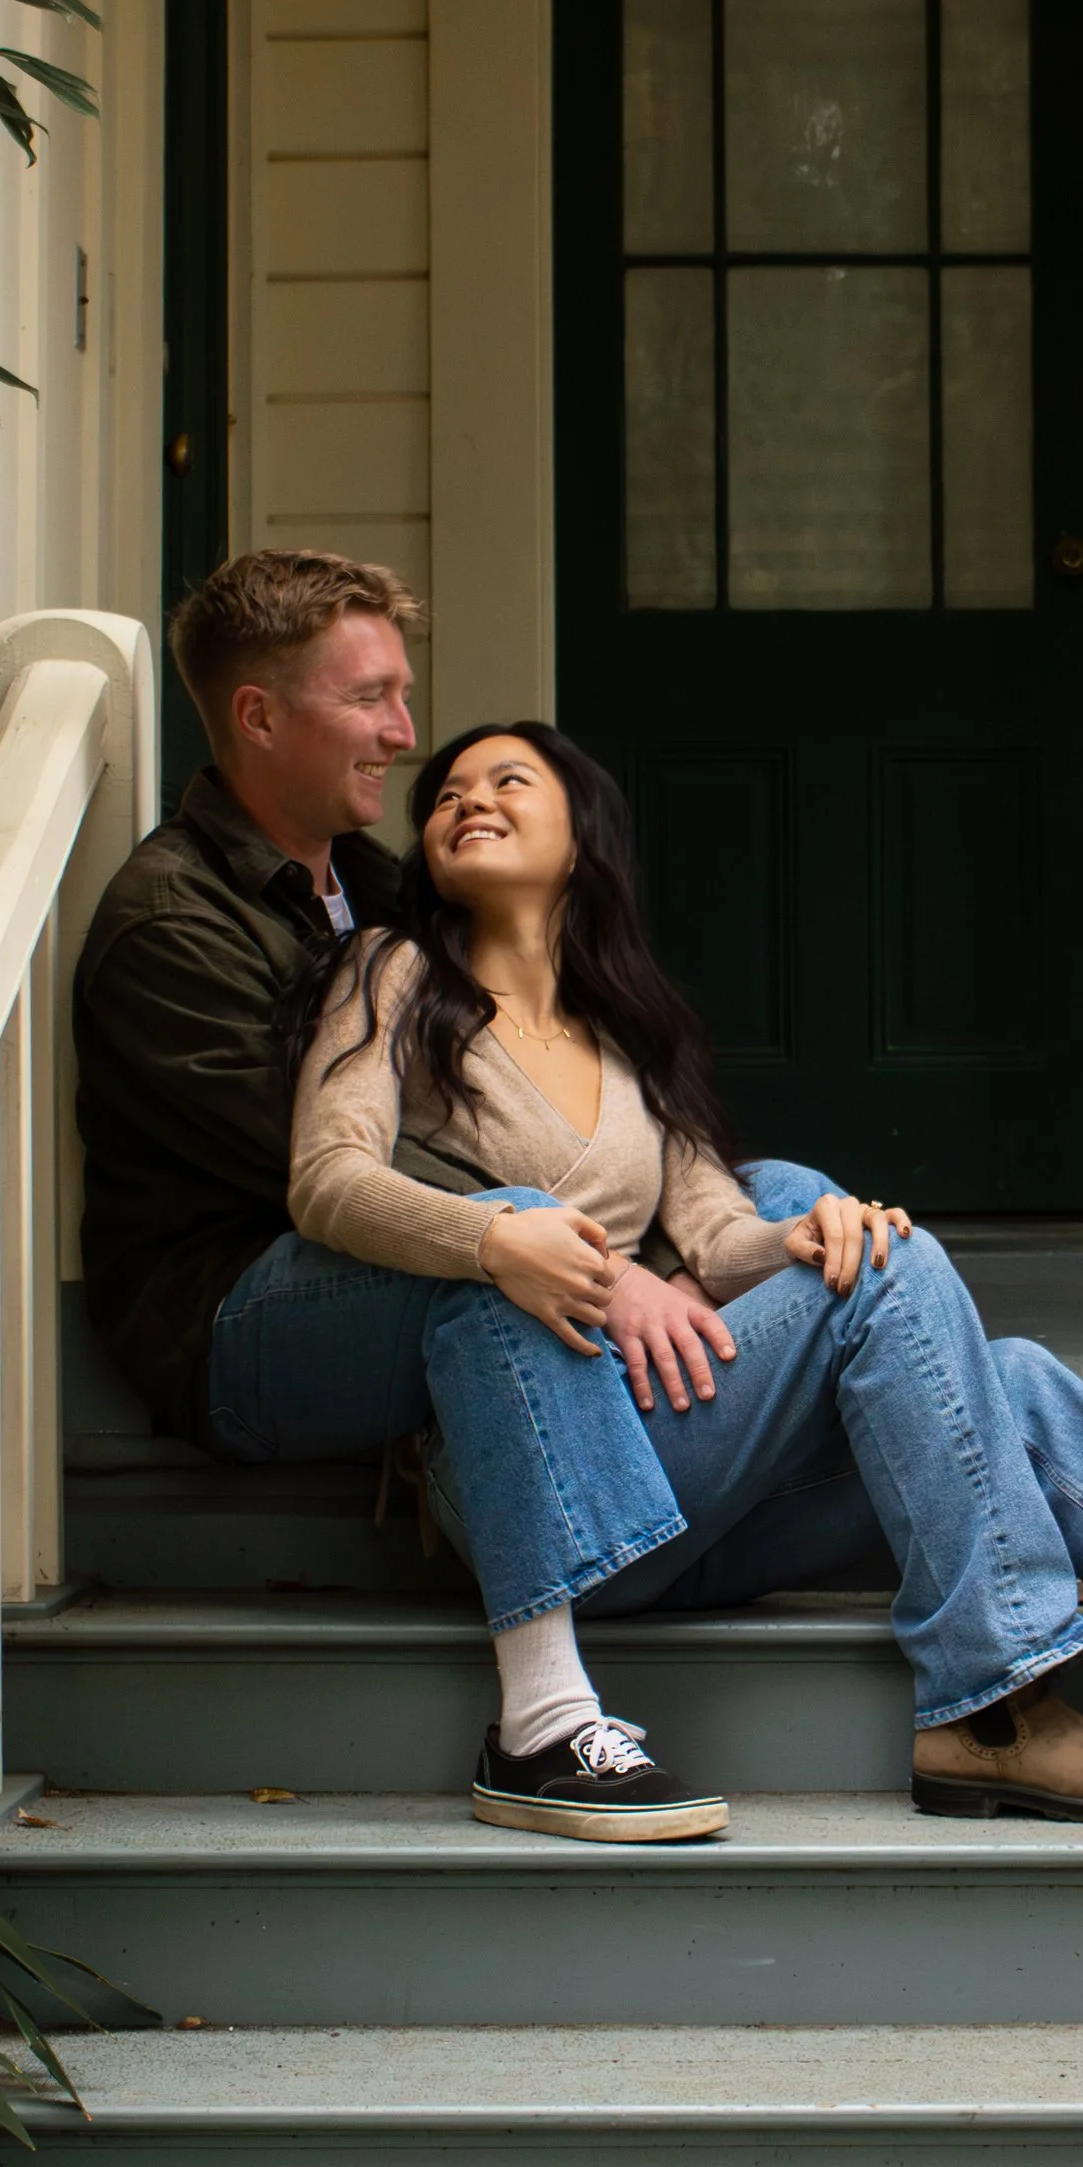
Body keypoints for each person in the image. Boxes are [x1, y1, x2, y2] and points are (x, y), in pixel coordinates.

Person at [285, 717, 1083, 1851]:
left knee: (995, 1366)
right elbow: (326, 1180)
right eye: (446, 793)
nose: (466, 800)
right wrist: (508, 1240)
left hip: (698, 1473)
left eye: (508, 782)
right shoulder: (392, 975)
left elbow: (713, 1235)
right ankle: (997, 1697)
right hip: (538, 1470)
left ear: (583, 837)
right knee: (899, 1282)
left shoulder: (627, 1030)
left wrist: (814, 1232)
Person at [73, 551, 747, 1562]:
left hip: (427, 1266)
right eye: (370, 698)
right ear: (258, 717)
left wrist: (667, 1247)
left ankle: (725, 1434)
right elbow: (352, 1169)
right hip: (244, 1317)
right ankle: (609, 1578)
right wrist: (621, 1268)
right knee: (506, 1244)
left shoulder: (369, 880)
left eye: (403, 695)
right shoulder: (170, 926)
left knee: (785, 1196)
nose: (405, 734)